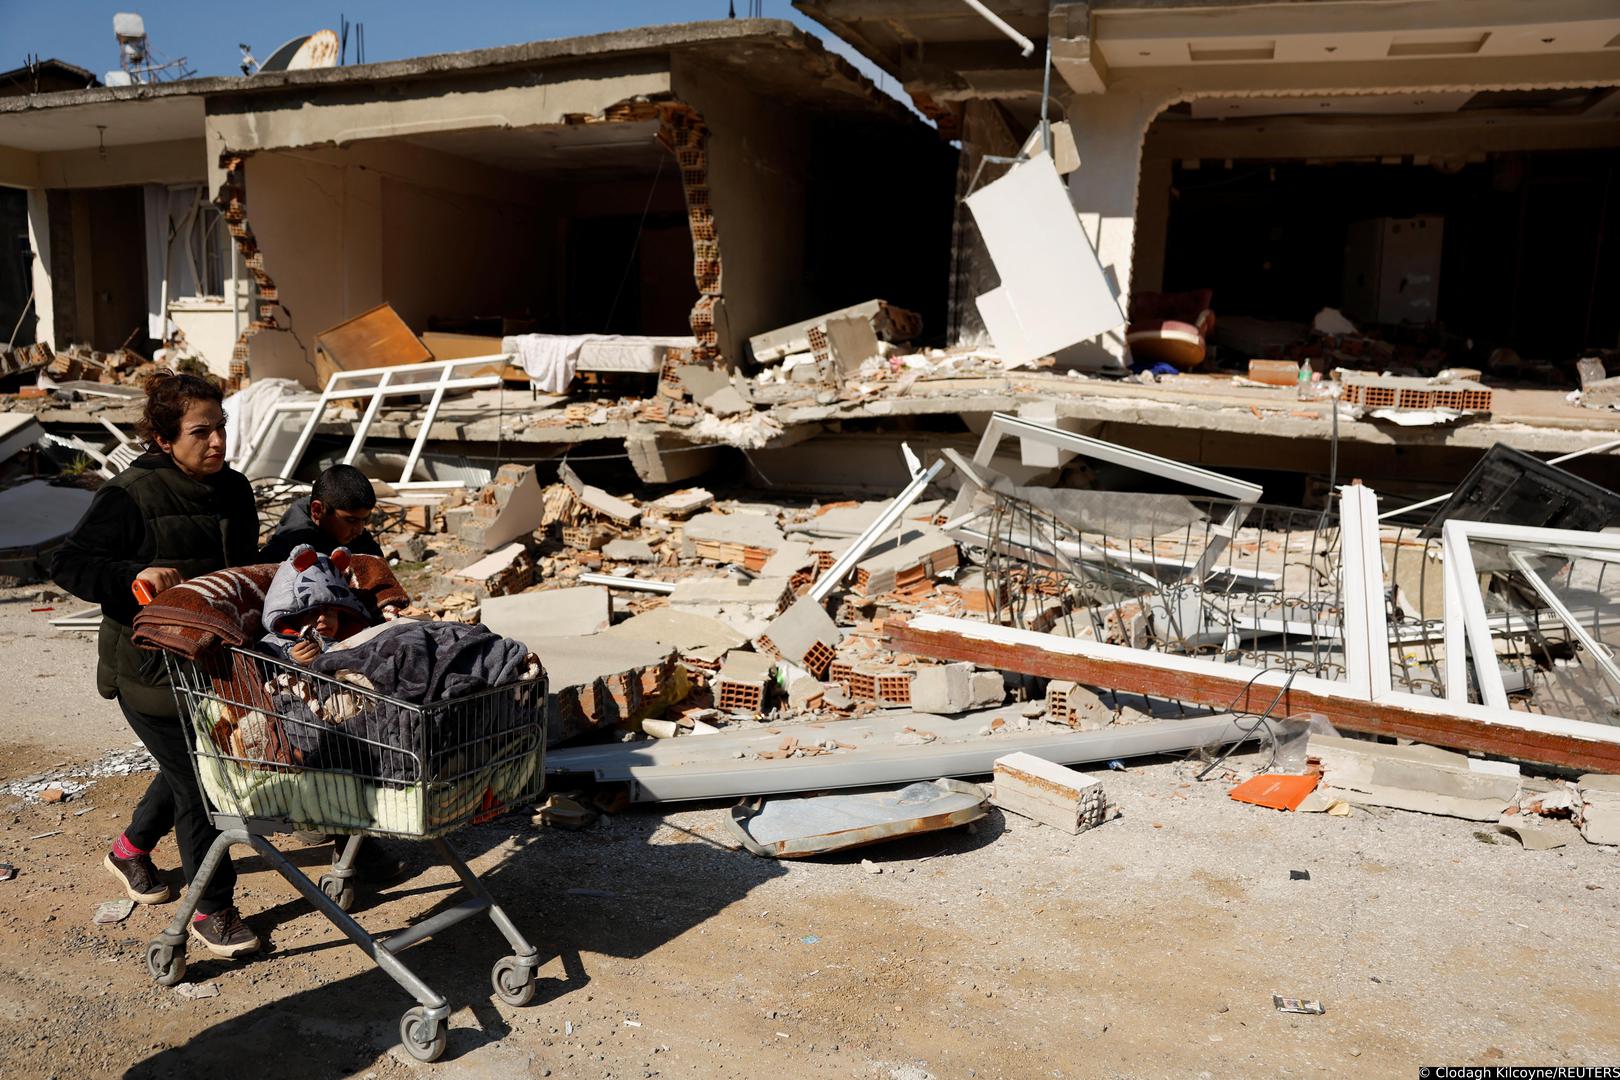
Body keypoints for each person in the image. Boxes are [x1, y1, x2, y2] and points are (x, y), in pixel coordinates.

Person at [51, 371, 262, 959]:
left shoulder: (235, 489)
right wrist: (131, 576)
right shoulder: (131, 494)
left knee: (192, 766)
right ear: (165, 439)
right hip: (147, 673)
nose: (218, 443)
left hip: (214, 666)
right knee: (201, 783)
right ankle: (211, 908)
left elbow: (244, 570)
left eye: (222, 428)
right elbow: (69, 565)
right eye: (202, 432)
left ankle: (129, 849)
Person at [259, 464, 383, 563]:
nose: (359, 530)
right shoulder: (282, 554)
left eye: (365, 520)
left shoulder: (362, 542)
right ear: (317, 510)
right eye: (351, 520)